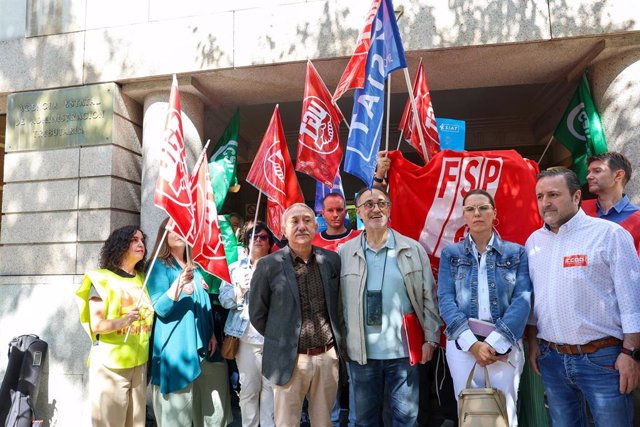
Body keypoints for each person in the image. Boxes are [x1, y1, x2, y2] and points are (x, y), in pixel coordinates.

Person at [526, 168, 640, 427]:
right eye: (540, 196)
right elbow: (535, 300)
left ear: (577, 196)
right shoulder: (534, 241)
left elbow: (632, 299)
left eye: (554, 194)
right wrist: (533, 343)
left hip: (603, 359)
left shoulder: (609, 234)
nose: (546, 202)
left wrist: (631, 353)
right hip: (552, 359)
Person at [339, 187, 441, 426]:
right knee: (364, 421)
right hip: (361, 354)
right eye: (369, 205)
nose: (376, 209)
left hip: (404, 354)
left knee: (406, 420)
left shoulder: (412, 249)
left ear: (390, 209)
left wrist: (431, 338)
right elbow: (338, 303)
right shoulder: (344, 253)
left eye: (382, 203)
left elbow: (429, 298)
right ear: (359, 213)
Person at [437, 189, 532, 426]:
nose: (477, 213)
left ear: (494, 212)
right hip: (462, 347)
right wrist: (472, 344)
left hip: (504, 346)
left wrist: (493, 343)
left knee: (504, 411)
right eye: (470, 209)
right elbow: (445, 300)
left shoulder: (516, 252)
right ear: (464, 215)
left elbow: (522, 300)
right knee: (469, 411)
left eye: (483, 208)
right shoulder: (451, 254)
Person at [249, 203, 343, 427]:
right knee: (286, 422)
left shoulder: (331, 261)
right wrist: (283, 337)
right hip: (289, 360)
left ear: (315, 226)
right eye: (294, 221)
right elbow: (257, 314)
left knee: (324, 422)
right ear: (283, 229)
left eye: (307, 220)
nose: (301, 226)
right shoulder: (268, 266)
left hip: (326, 357)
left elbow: (338, 305)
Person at [145, 218, 232, 427]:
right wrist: (178, 284)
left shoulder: (196, 267)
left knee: (213, 411)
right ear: (163, 235)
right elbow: (161, 309)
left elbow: (204, 306)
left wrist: (210, 332)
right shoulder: (158, 266)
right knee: (177, 416)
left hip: (204, 349)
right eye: (173, 229)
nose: (179, 233)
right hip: (177, 349)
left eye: (182, 228)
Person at [76, 225, 154, 427]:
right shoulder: (101, 278)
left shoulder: (142, 279)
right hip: (111, 366)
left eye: (142, 240)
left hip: (139, 363)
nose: (140, 244)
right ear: (119, 246)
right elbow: (97, 324)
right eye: (133, 240)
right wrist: (123, 321)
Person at [219, 221, 275, 427]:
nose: (259, 240)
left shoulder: (278, 266)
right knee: (249, 389)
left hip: (273, 339)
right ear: (247, 242)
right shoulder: (234, 269)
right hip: (246, 339)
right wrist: (239, 290)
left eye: (263, 237)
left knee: (271, 390)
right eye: (254, 237)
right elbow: (224, 301)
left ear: (270, 243)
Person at [311, 192, 360, 427]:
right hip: (325, 319)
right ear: (322, 213)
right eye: (330, 210)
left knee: (356, 375)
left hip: (355, 316)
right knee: (328, 377)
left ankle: (355, 421)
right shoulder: (313, 242)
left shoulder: (359, 238)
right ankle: (329, 421)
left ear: (347, 211)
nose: (336, 214)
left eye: (340, 209)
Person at [585, 151, 640, 254]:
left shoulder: (638, 218)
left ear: (618, 175)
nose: (588, 177)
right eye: (589, 172)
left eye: (597, 171)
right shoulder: (578, 210)